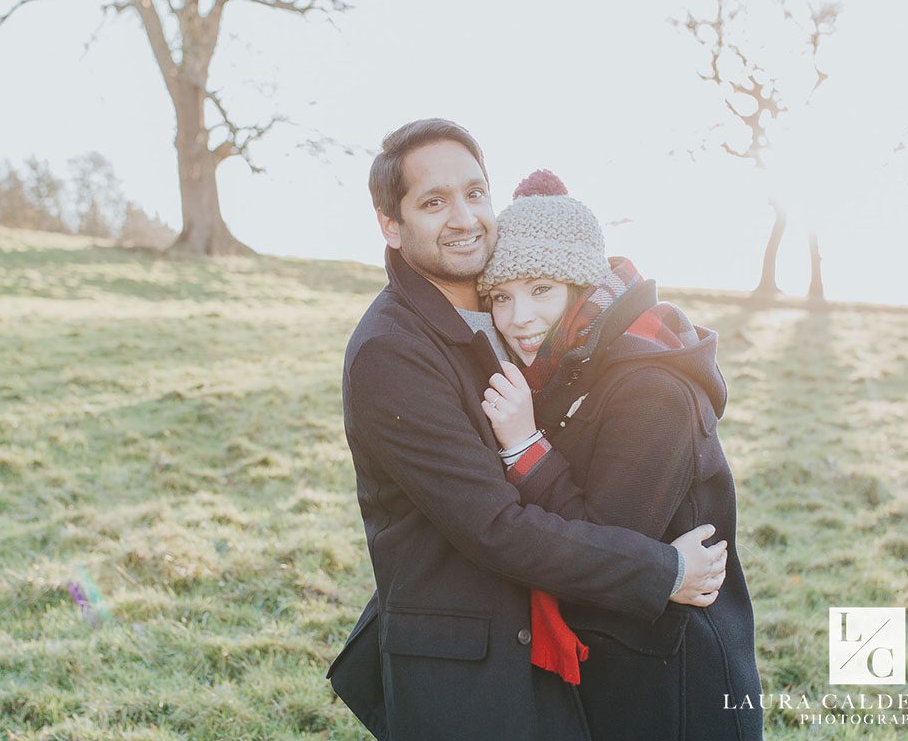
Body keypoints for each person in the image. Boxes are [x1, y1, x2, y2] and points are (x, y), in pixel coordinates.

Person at [326, 118, 729, 741]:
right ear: (392, 224)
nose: (463, 217)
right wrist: (662, 572)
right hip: (467, 675)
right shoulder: (394, 351)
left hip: (548, 658)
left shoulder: (497, 328)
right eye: (434, 202)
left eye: (475, 193)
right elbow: (493, 527)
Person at [476, 169, 763, 740]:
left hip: (676, 686)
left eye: (540, 290)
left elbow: (603, 545)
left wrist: (525, 446)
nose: (519, 319)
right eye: (501, 297)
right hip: (620, 667)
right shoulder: (567, 371)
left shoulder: (653, 388)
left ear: (584, 288)